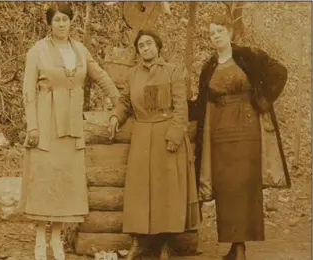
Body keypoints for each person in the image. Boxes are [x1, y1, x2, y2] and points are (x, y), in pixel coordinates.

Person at [19, 3, 120, 260]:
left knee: (65, 180)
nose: (62, 24)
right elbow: (29, 91)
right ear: (49, 24)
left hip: (72, 123)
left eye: (65, 20)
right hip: (45, 121)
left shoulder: (80, 49)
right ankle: (41, 238)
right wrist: (32, 126)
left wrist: (119, 99)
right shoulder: (37, 51)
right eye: (57, 20)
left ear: (71, 22)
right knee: (44, 179)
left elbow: (99, 75)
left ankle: (57, 238)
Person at [188, 14, 289, 260]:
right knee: (226, 189)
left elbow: (280, 71)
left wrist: (262, 100)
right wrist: (178, 104)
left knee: (245, 186)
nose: (216, 36)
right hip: (219, 134)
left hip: (247, 130)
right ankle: (235, 246)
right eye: (212, 33)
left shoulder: (248, 55)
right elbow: (202, 104)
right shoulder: (209, 66)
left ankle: (241, 248)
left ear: (231, 32)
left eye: (220, 31)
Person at [108, 30, 200, 260]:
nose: (145, 48)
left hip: (166, 137)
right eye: (141, 46)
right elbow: (125, 101)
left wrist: (174, 136)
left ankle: (166, 245)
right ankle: (138, 242)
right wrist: (115, 117)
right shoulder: (133, 74)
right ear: (138, 51)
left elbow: (181, 106)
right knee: (139, 192)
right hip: (142, 138)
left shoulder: (172, 72)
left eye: (149, 43)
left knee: (167, 192)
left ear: (158, 46)